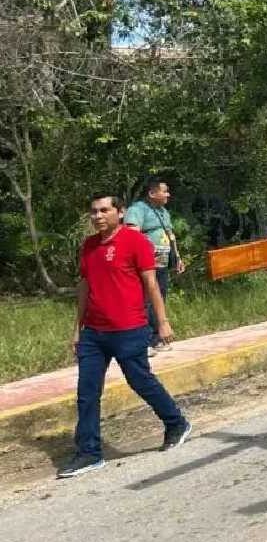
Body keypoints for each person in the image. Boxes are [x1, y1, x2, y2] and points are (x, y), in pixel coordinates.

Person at [58, 194, 191, 479]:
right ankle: (89, 453)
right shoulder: (89, 246)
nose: (98, 216)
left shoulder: (136, 242)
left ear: (120, 212)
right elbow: (84, 288)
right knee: (87, 393)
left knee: (140, 380)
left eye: (104, 210)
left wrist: (163, 323)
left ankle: (176, 423)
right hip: (93, 332)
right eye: (93, 212)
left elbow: (151, 284)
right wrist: (77, 329)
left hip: (129, 328)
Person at [124, 176, 185, 353]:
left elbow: (170, 235)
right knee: (143, 302)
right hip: (145, 266)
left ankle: (156, 339)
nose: (168, 194)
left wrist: (177, 257)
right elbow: (131, 234)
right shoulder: (137, 210)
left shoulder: (163, 212)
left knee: (159, 300)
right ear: (152, 193)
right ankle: (142, 342)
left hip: (162, 264)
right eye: (164, 191)